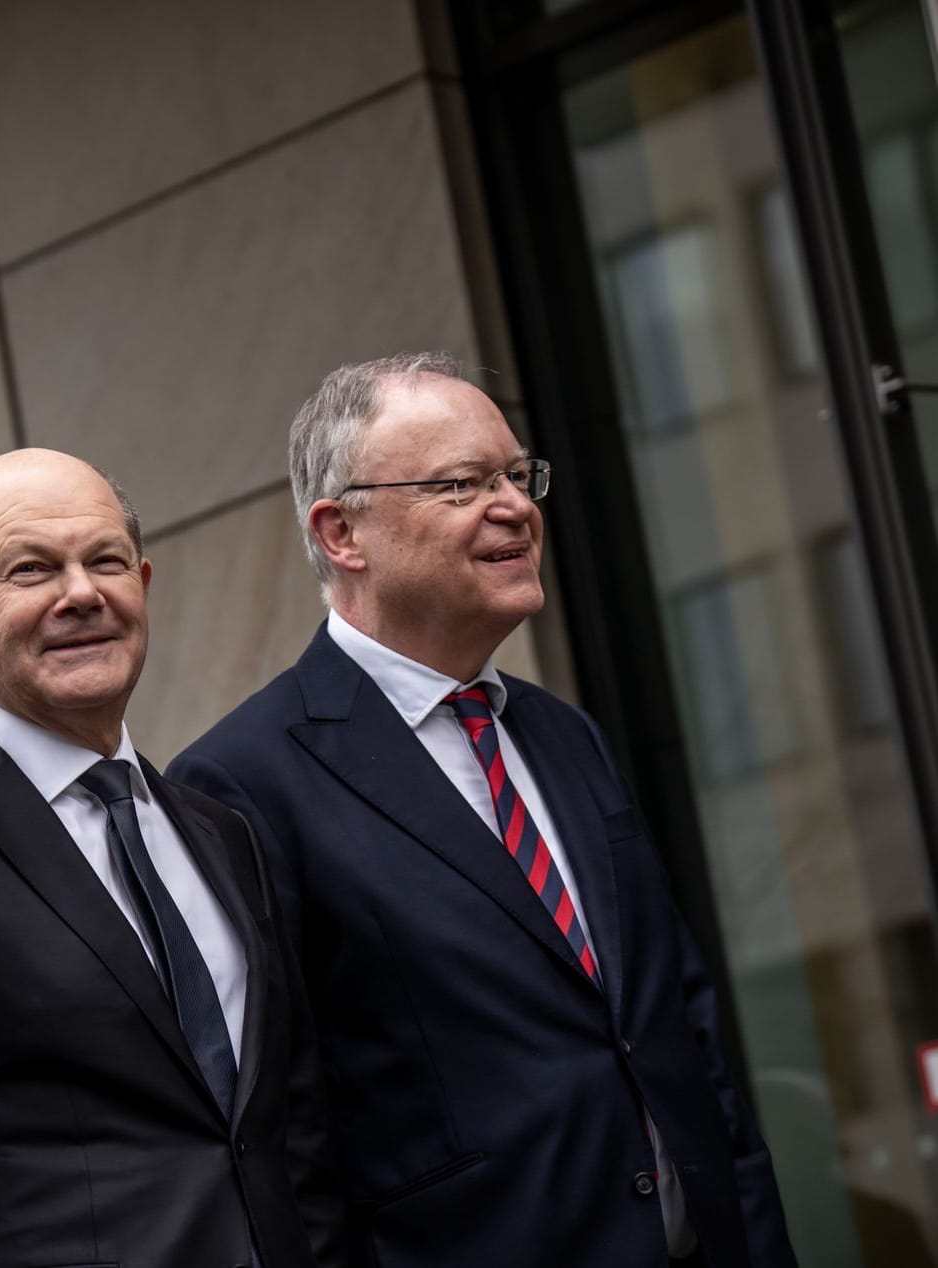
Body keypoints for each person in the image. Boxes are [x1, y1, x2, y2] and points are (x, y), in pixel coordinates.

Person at [170, 353, 796, 1268]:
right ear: (343, 532)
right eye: (463, 483)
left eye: (516, 474)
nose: (515, 506)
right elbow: (280, 1133)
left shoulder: (562, 734)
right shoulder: (239, 784)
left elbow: (679, 1021)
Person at [0, 447, 343, 1268]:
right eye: (30, 569)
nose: (81, 594)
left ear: (144, 587)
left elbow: (292, 1133)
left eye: (106, 562)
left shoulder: (220, 834)